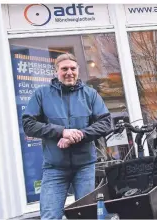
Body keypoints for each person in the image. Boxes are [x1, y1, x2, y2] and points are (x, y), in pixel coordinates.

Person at [22, 53, 111, 219]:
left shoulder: (90, 94)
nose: (69, 72)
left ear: (78, 70)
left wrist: (79, 135)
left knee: (87, 216)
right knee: (50, 216)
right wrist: (61, 132)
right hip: (54, 168)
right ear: (56, 71)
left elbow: (105, 123)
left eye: (73, 68)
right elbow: (28, 124)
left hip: (84, 166)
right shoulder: (42, 94)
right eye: (64, 69)